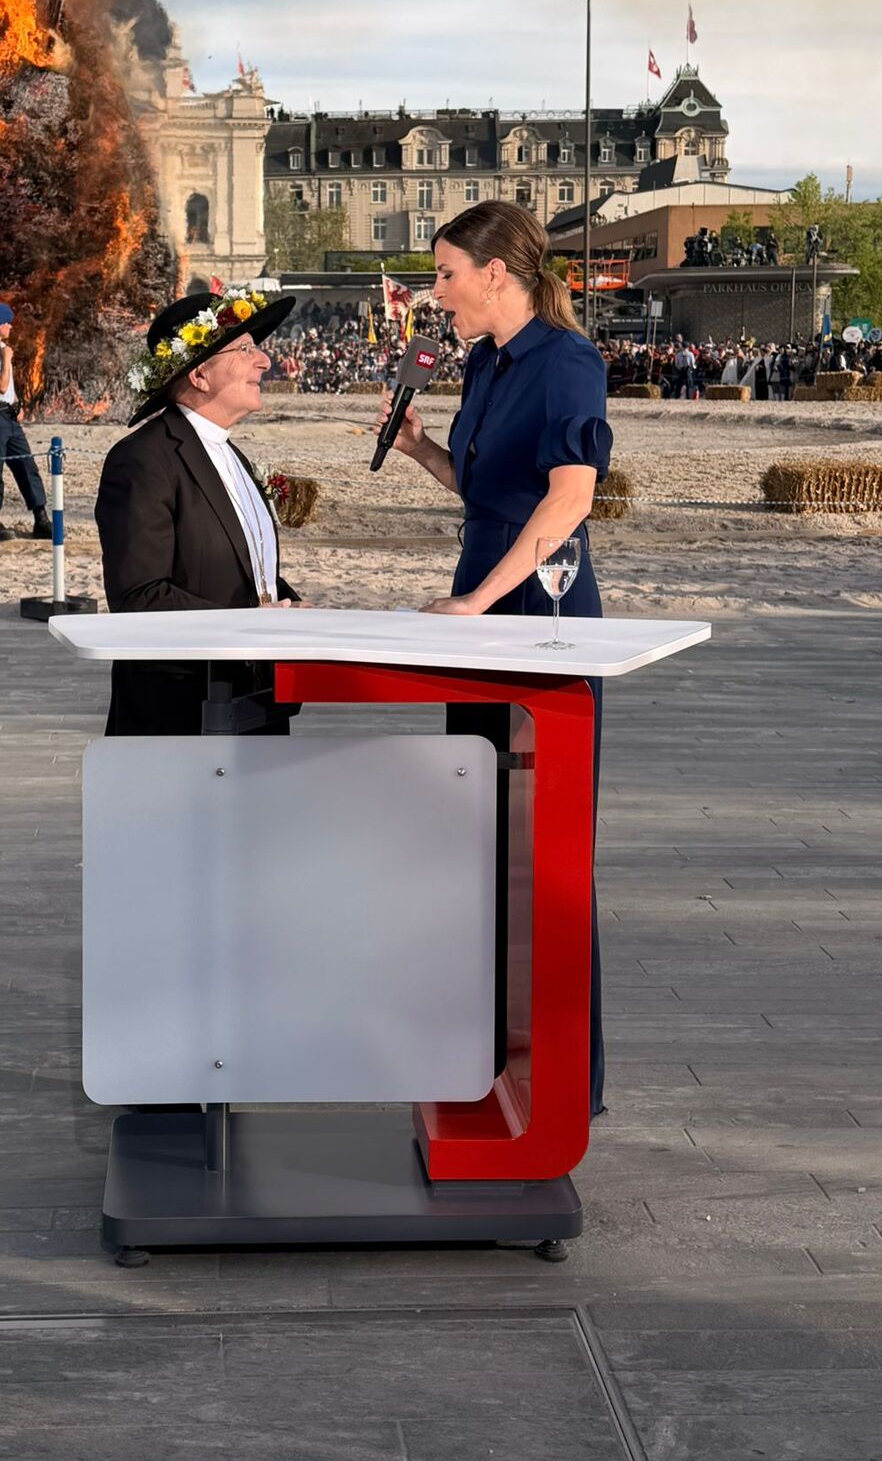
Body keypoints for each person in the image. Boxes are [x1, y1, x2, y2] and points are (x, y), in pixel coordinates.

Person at [375, 199, 612, 1115]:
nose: (436, 294)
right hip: (477, 599)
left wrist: (479, 600)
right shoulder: (484, 362)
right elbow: (486, 492)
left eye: (445, 275)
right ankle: (485, 1054)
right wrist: (420, 449)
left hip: (538, 608)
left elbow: (568, 500)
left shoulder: (568, 362)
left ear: (497, 274)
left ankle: (566, 1082)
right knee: (477, 832)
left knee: (545, 849)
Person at [94, 288, 301, 737]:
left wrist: (293, 606)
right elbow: (140, 597)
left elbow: (244, 571)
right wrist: (248, 623)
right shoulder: (143, 460)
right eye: (244, 349)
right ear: (200, 375)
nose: (263, 361)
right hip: (182, 714)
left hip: (250, 701)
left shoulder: (232, 454)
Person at [0, 303, 51, 543]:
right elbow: (0, 385)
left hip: (7, 415)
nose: (10, 327)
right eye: (7, 323)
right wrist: (6, 360)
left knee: (26, 464)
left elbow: (9, 389)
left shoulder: (2, 348)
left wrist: (16, 406)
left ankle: (40, 517)